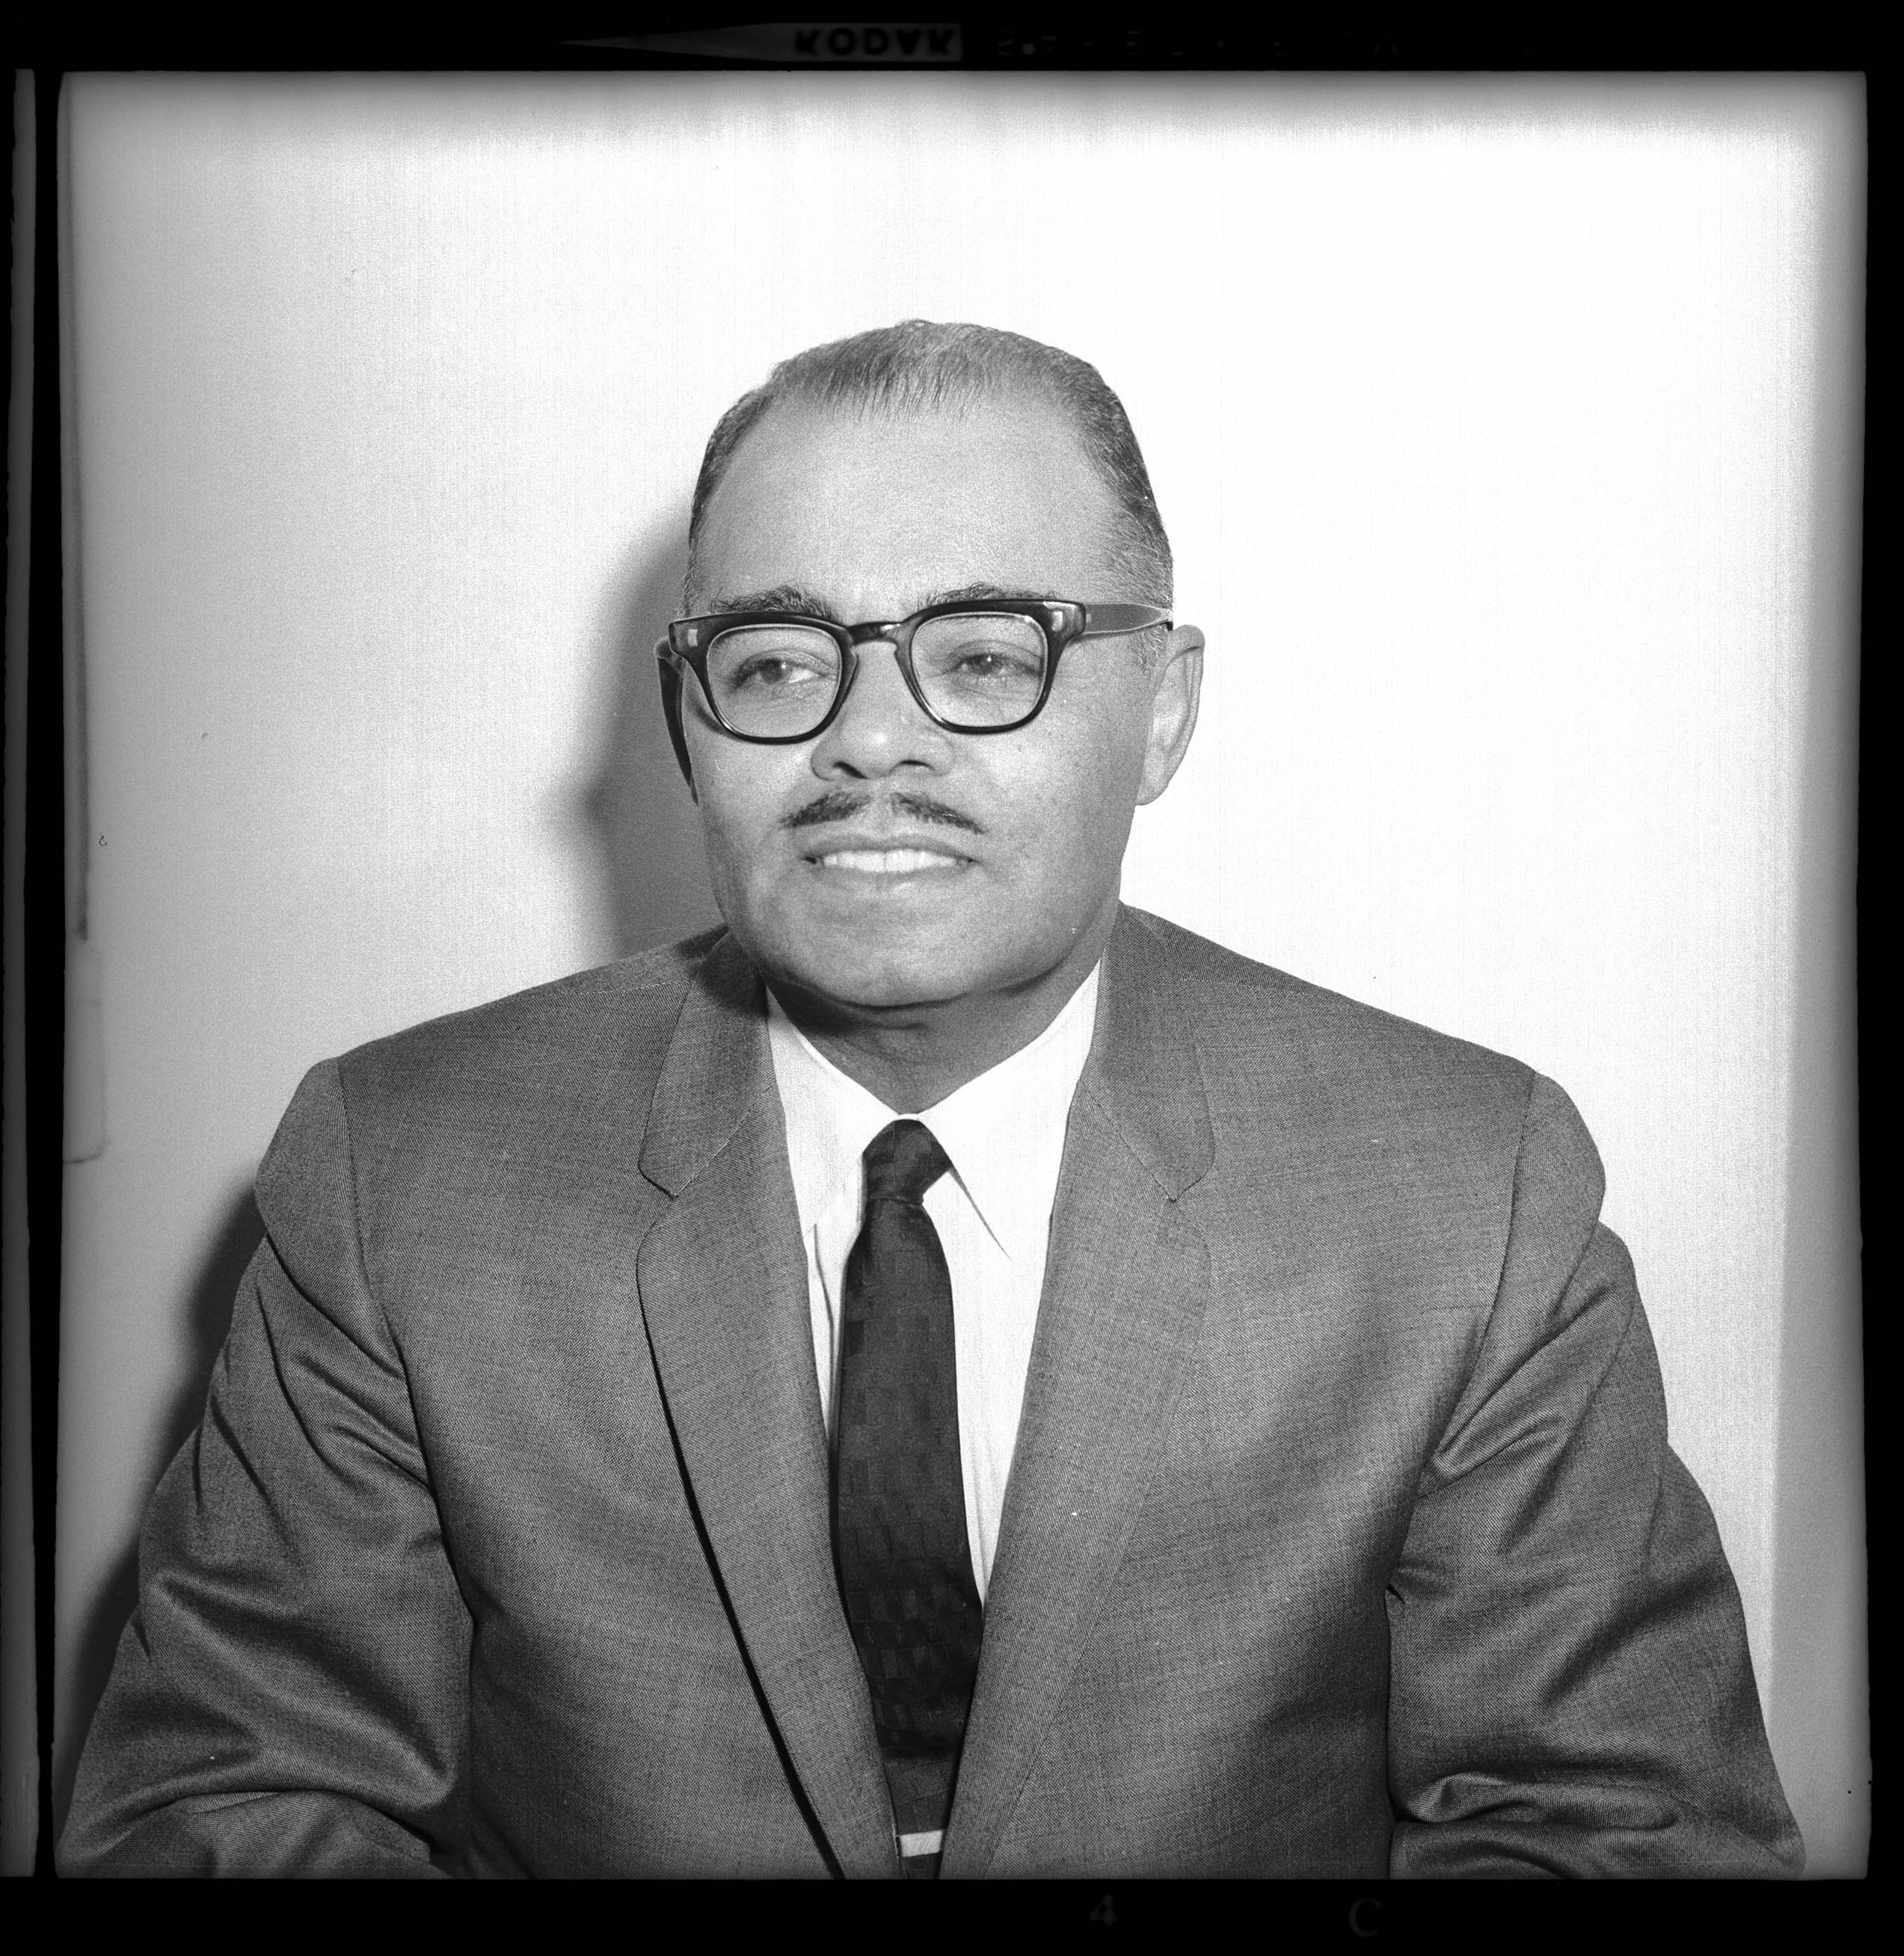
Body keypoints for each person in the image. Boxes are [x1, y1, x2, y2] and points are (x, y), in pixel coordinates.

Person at [61, 321, 1802, 1878]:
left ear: (1165, 711)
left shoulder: (1464, 1198)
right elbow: (230, 1804)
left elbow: (1615, 1830)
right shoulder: (397, 1174)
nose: (868, 742)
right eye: (775, 658)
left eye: (983, 654)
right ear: (689, 724)